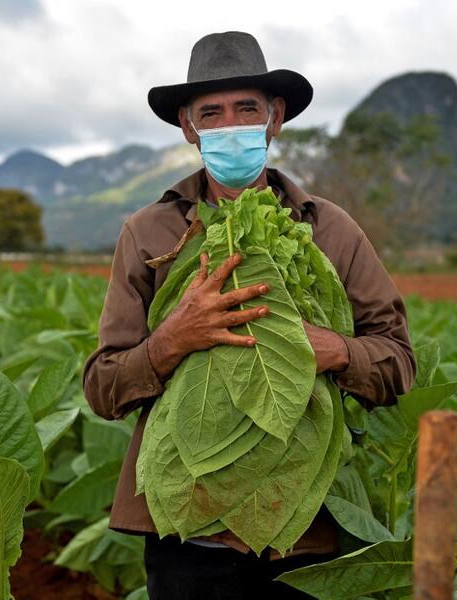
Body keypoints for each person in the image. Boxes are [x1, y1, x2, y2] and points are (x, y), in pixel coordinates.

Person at [83, 31, 416, 599]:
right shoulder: (148, 234)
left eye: (247, 109)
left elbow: (398, 363)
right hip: (189, 534)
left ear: (274, 117)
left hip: (305, 528)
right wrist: (172, 339)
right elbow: (103, 388)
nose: (229, 124)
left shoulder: (331, 229)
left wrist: (331, 349)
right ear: (189, 128)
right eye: (211, 113)